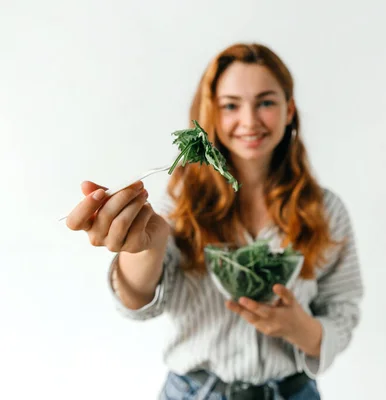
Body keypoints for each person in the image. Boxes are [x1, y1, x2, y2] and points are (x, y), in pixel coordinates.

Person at [65, 42, 364, 400]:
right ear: (212, 115)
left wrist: (301, 329)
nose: (249, 120)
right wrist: (143, 249)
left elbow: (343, 309)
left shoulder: (326, 210)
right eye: (231, 106)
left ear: (289, 110)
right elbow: (138, 303)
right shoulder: (180, 204)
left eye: (266, 102)